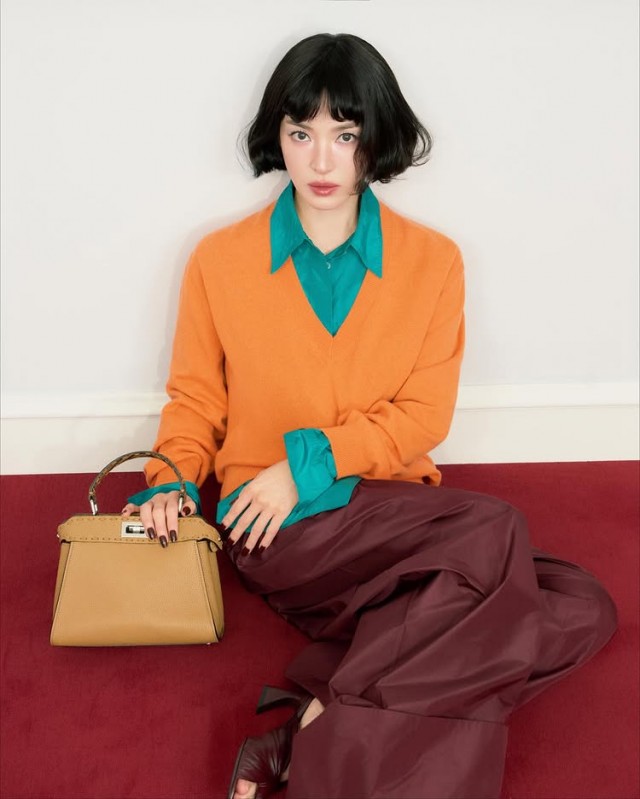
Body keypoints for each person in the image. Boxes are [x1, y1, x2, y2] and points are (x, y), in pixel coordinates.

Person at [121, 33, 619, 799]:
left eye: (345, 135)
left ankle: (312, 722)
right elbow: (195, 399)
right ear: (278, 136)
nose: (321, 160)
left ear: (375, 138)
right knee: (493, 533)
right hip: (275, 523)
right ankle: (327, 761)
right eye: (301, 133)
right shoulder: (219, 261)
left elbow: (424, 415)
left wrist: (310, 464)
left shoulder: (434, 261)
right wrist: (171, 481)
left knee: (582, 605)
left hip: (396, 520)